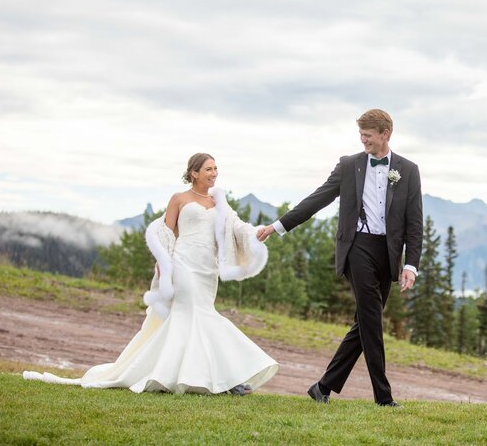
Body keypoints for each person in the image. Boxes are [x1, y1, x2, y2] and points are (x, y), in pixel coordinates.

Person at [24, 153, 278, 395]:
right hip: (183, 264)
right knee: (198, 316)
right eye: (209, 168)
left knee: (195, 318)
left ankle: (193, 376)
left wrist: (256, 233)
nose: (215, 173)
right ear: (194, 172)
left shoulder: (219, 202)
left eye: (216, 168)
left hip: (206, 269)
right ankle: (228, 380)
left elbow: (237, 226)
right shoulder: (179, 198)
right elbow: (167, 233)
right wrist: (163, 263)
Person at [257, 109, 423, 407]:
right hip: (356, 247)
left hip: (387, 253)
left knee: (365, 323)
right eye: (361, 135)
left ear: (385, 134)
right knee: (371, 320)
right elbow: (317, 198)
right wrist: (278, 226)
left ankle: (323, 386)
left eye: (368, 136)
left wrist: (411, 264)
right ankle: (383, 398)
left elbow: (415, 221)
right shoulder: (349, 166)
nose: (363, 141)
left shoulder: (408, 170)